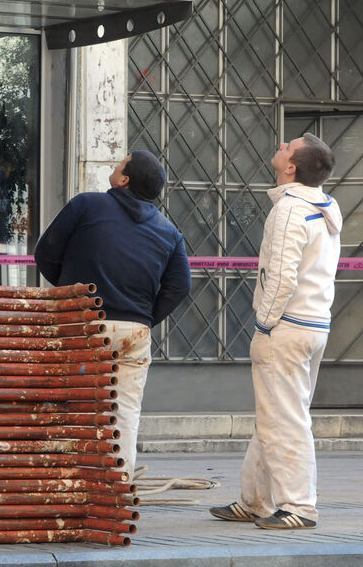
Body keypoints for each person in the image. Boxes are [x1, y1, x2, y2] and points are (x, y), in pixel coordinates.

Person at [34, 149, 191, 481]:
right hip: (134, 332)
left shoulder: (86, 205)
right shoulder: (170, 233)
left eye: (122, 162)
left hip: (81, 321)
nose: (117, 162)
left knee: (71, 405)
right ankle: (117, 490)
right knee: (124, 413)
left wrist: (69, 294)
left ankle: (69, 486)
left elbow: (46, 253)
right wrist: (144, 317)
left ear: (124, 179)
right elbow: (179, 287)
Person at [210, 133, 341, 530]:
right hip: (314, 323)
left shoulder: (288, 210)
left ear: (291, 168)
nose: (281, 143)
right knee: (276, 416)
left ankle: (299, 506)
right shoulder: (326, 205)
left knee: (284, 420)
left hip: (287, 327)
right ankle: (255, 500)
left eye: (289, 146)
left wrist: (264, 325)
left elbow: (279, 277)